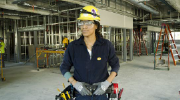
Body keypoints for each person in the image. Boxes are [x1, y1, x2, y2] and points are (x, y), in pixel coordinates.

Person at [60, 5, 120, 100]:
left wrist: (107, 83)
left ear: (96, 25)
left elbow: (115, 65)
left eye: (88, 23)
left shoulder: (106, 45)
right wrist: (75, 83)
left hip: (101, 93)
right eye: (81, 23)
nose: (84, 27)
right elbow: (64, 67)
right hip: (81, 93)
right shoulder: (73, 46)